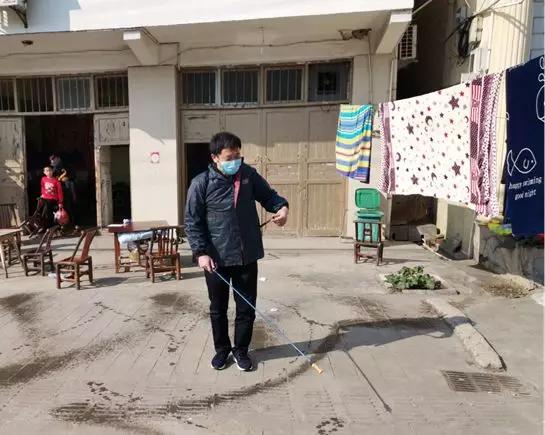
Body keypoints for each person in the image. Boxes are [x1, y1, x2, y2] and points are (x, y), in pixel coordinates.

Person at [185, 132, 289, 371]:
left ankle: (241, 350)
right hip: (216, 259)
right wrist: (201, 252)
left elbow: (269, 197)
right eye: (229, 157)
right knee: (218, 309)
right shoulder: (201, 183)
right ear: (215, 158)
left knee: (246, 308)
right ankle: (222, 351)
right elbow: (192, 221)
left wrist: (282, 209)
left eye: (238, 156)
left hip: (246, 255)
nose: (235, 161)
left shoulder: (248, 176)